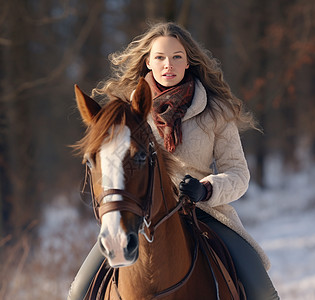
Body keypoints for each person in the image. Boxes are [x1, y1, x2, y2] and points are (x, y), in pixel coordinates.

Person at [68, 22, 279, 300]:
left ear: (188, 61)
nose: (169, 64)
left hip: (204, 212)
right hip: (138, 214)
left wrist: (206, 189)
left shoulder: (217, 111)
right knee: (77, 292)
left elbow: (238, 174)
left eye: (177, 57)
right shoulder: (124, 116)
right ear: (148, 62)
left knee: (261, 289)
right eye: (160, 57)